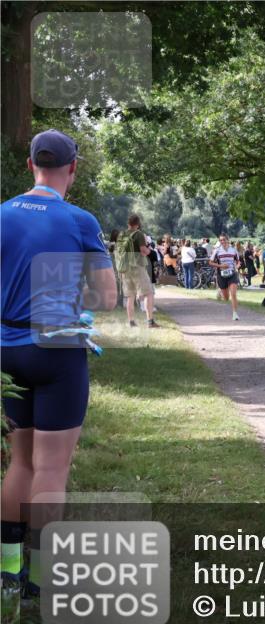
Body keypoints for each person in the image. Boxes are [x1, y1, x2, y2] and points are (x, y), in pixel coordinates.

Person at [1, 129, 117, 597]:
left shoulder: (2, 214)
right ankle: (45, 581)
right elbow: (106, 297)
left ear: (31, 164)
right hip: (57, 351)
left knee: (19, 462)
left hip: (7, 350)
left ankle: (8, 573)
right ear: (72, 168)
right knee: (52, 469)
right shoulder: (79, 220)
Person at [117, 214, 160, 328]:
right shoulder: (138, 234)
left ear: (128, 223)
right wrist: (151, 252)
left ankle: (131, 322)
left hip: (124, 269)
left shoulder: (122, 234)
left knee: (130, 296)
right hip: (137, 267)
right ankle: (150, 321)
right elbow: (143, 250)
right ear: (138, 224)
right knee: (148, 293)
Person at [209, 234, 241, 320]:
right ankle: (220, 291)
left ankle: (235, 314)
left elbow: (238, 262)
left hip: (232, 274)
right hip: (222, 275)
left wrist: (236, 267)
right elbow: (210, 262)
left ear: (228, 240)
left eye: (224, 240)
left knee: (233, 294)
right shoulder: (217, 251)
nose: (222, 242)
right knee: (226, 298)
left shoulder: (233, 250)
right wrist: (220, 265)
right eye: (221, 240)